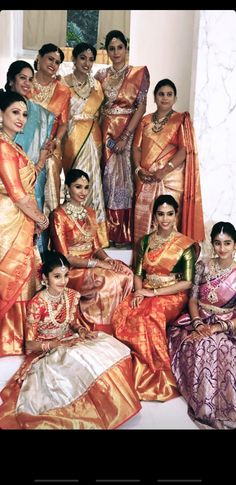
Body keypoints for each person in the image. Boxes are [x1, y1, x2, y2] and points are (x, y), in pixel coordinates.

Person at [0, 251, 141, 429]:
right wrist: (56, 344)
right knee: (75, 359)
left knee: (105, 348)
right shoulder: (37, 304)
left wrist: (82, 330)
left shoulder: (71, 295)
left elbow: (72, 322)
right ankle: (89, 414)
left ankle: (110, 406)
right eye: (57, 276)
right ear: (45, 278)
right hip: (47, 350)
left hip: (68, 339)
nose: (63, 281)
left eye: (66, 275)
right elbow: (29, 344)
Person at [111, 195, 199, 401]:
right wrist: (139, 292)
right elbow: (138, 273)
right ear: (155, 216)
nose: (165, 219)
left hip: (173, 294)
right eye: (161, 214)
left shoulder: (185, 245)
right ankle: (130, 370)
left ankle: (157, 372)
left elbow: (187, 282)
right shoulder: (145, 241)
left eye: (169, 214)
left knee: (150, 314)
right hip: (147, 289)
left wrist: (153, 293)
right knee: (125, 310)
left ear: (176, 215)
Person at [168, 221, 236, 429]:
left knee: (222, 348)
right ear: (212, 244)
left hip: (227, 324)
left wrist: (218, 328)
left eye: (227, 243)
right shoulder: (203, 265)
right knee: (200, 345)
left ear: (235, 245)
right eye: (217, 243)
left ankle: (224, 409)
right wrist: (197, 323)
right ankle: (205, 406)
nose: (222, 249)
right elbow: (193, 300)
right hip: (198, 319)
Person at [50, 169, 134, 335]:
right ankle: (98, 327)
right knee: (105, 280)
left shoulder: (90, 212)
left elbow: (96, 248)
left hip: (93, 264)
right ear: (67, 188)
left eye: (86, 187)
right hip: (72, 270)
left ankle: (120, 323)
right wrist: (98, 264)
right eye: (78, 187)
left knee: (126, 273)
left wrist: (109, 260)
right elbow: (65, 257)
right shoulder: (58, 215)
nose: (83, 192)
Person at [0, 91, 49, 356]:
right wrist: (41, 218)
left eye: (24, 114)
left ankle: (19, 335)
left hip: (20, 218)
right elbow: (17, 194)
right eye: (14, 113)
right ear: (1, 115)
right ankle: (7, 338)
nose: (21, 118)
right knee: (10, 272)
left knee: (23, 272)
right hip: (8, 220)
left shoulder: (15, 146)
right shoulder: (3, 147)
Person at [133, 78, 205, 248]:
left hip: (171, 179)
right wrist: (138, 169)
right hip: (146, 178)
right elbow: (136, 148)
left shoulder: (180, 120)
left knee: (169, 218)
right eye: (161, 94)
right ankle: (146, 262)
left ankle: (170, 261)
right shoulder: (145, 120)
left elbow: (183, 150)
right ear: (155, 97)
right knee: (146, 220)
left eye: (169, 94)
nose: (165, 98)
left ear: (175, 98)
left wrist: (164, 170)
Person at [95, 30, 150, 246]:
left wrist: (125, 137)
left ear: (126, 49)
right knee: (107, 181)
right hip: (106, 131)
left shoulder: (139, 73)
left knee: (126, 182)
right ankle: (109, 232)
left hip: (129, 130)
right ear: (107, 51)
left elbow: (141, 106)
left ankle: (125, 233)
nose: (116, 52)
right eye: (112, 48)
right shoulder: (101, 76)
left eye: (120, 47)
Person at [4, 60, 55, 255]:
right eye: (22, 78)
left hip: (32, 179)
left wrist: (37, 168)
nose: (27, 83)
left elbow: (44, 147)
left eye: (30, 79)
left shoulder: (40, 115)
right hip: (6, 190)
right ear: (11, 80)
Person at [62, 42, 108, 248]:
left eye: (91, 59)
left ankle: (95, 235)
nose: (87, 63)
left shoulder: (97, 86)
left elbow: (99, 116)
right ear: (74, 59)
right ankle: (72, 231)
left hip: (93, 136)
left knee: (93, 181)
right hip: (72, 137)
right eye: (83, 58)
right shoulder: (64, 83)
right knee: (75, 179)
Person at [30, 43, 71, 214]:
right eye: (50, 59)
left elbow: (63, 122)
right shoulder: (26, 83)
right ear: (39, 57)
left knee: (49, 191)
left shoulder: (63, 91)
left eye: (57, 62)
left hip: (50, 147)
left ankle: (46, 238)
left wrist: (57, 140)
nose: (53, 64)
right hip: (24, 145)